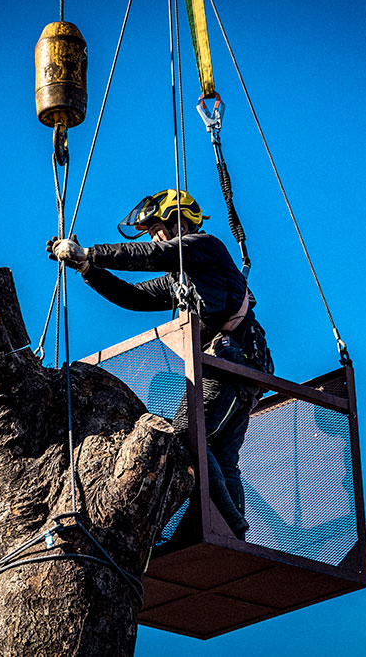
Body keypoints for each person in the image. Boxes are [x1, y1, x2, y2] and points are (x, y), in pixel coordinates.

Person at [46, 189, 272, 540]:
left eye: (158, 227)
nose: (154, 236)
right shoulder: (183, 276)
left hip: (230, 364)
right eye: (150, 230)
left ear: (181, 222)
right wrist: (88, 269)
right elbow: (133, 296)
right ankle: (229, 529)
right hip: (236, 367)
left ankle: (228, 523)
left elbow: (154, 255)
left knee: (187, 437)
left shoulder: (205, 246)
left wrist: (91, 251)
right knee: (220, 455)